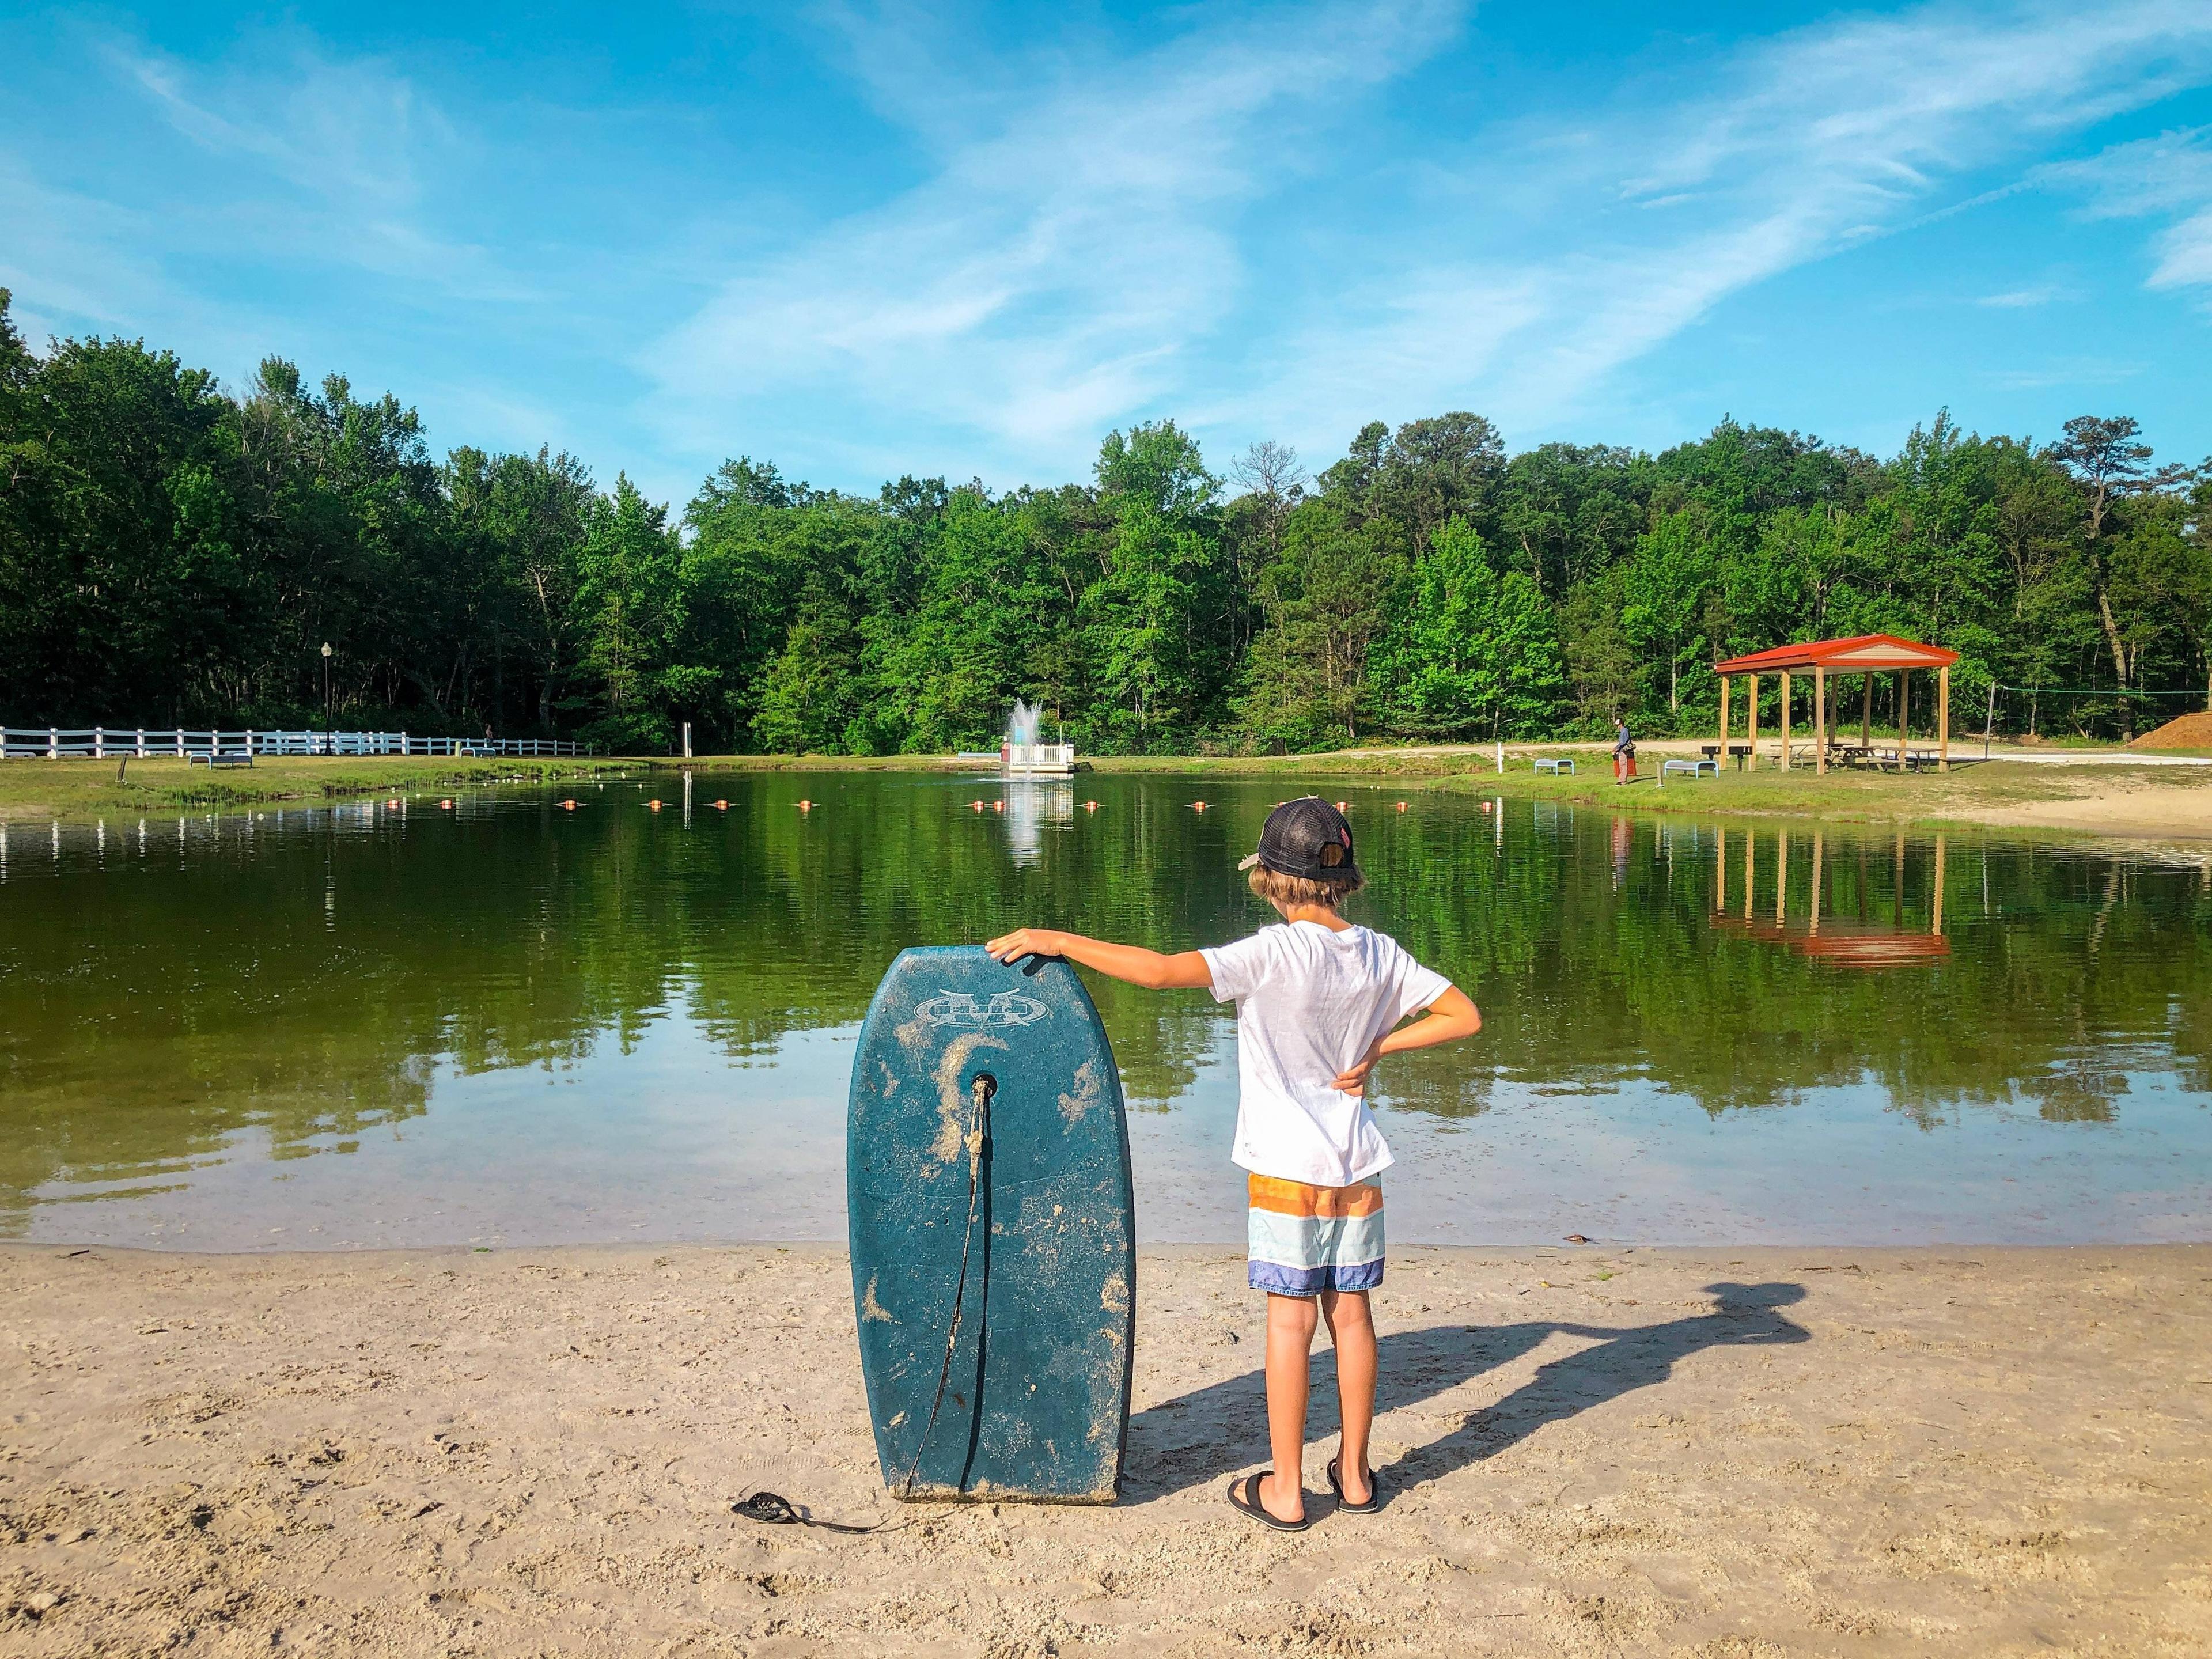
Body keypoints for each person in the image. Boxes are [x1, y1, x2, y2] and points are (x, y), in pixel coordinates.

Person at [986, 796, 1481, 1529]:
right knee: (1352, 1318)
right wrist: (1380, 1048)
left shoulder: (1270, 954)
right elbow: (1463, 1017)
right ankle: (1353, 1475)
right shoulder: (1379, 953)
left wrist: (1058, 938)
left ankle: (1285, 1489)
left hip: (1287, 1167)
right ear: (1343, 878)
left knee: (1289, 1327)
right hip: (1357, 1167)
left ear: (1274, 880)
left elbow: (1156, 973)